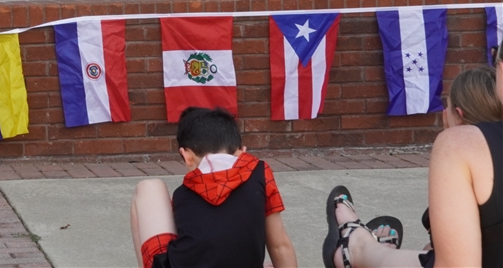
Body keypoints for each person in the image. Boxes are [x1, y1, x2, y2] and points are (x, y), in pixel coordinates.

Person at [323, 64, 502, 268]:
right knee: (430, 249)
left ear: (459, 116)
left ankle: (357, 249)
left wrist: (453, 136)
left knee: (435, 255)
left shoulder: (457, 144)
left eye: (447, 108)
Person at [130, 106, 297, 268]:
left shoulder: (183, 194)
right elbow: (280, 245)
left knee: (149, 187)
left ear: (186, 156)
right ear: (242, 152)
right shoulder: (260, 171)